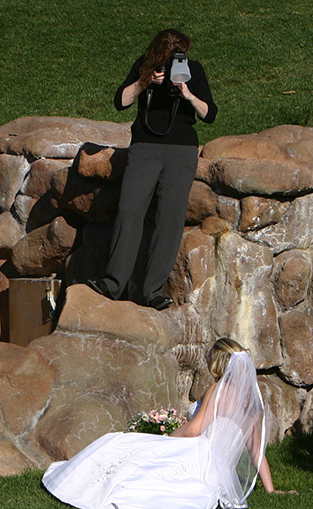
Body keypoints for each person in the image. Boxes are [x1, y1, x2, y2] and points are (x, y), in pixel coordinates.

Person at [41, 338, 295, 509]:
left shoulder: (218, 390)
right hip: (216, 469)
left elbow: (195, 430)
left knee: (119, 443)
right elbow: (256, 449)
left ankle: (81, 482)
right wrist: (270, 489)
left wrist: (165, 439)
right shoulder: (252, 400)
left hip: (196, 452)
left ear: (217, 364)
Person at [88, 29, 217, 310]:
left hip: (181, 150)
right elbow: (120, 102)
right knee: (129, 210)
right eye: (168, 54)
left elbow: (210, 114)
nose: (173, 61)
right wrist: (144, 82)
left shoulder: (193, 69)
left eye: (178, 55)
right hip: (145, 146)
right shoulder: (144, 66)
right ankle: (113, 283)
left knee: (170, 218)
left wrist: (187, 93)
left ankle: (153, 291)